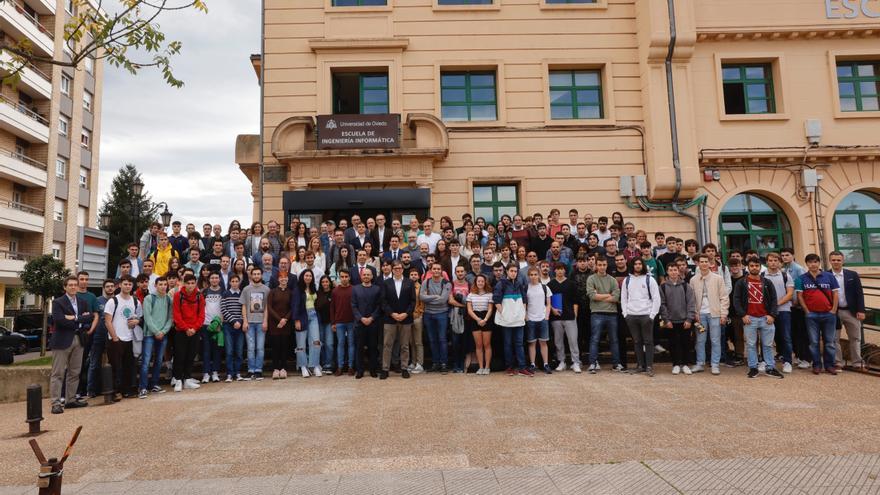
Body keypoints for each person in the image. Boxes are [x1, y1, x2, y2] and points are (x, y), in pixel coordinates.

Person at [733, 257, 783, 379]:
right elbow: (736, 300)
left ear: (760, 267)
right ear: (748, 267)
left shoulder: (767, 282)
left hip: (766, 318)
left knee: (768, 344)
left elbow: (773, 300)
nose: (754, 268)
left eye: (756, 265)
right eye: (752, 266)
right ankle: (753, 368)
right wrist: (743, 315)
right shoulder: (742, 282)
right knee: (751, 344)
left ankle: (770, 367)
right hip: (750, 318)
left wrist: (772, 314)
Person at [49, 276, 91, 414]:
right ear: (65, 287)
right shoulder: (58, 302)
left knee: (75, 372)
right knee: (58, 373)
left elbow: (88, 319)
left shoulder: (83, 302)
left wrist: (74, 318)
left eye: (75, 285)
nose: (73, 287)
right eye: (70, 285)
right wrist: (79, 319)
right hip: (62, 341)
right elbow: (59, 321)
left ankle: (70, 400)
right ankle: (55, 403)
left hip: (79, 340)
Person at [796, 253, 840, 375]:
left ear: (819, 263)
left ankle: (829, 365)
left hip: (828, 314)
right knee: (814, 342)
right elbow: (800, 296)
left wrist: (834, 310)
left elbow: (835, 293)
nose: (813, 264)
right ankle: (816, 365)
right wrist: (807, 311)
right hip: (812, 315)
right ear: (806, 264)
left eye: (815, 262)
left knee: (830, 342)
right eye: (810, 262)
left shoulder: (829, 276)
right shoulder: (801, 278)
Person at [689, 254, 729, 375]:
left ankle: (715, 364)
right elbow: (692, 299)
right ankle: (700, 363)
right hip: (700, 315)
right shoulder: (693, 280)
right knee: (700, 340)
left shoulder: (718, 279)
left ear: (710, 263)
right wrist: (695, 313)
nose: (704, 264)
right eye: (702, 261)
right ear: (698, 264)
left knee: (715, 340)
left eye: (706, 261)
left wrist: (723, 314)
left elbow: (724, 297)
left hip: (715, 314)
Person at [620, 258, 661, 377]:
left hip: (646, 315)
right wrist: (625, 314)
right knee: (637, 341)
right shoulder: (627, 280)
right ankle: (640, 365)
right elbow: (623, 298)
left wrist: (652, 315)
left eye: (639, 264)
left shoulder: (650, 279)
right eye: (635, 264)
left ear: (642, 265)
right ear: (632, 266)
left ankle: (649, 366)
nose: (637, 266)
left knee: (648, 341)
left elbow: (656, 298)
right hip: (631, 315)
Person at [104, 275, 142, 399]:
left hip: (130, 338)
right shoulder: (113, 301)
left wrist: (137, 321)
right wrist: (115, 338)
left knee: (128, 366)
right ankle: (114, 391)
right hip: (116, 339)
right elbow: (107, 321)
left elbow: (139, 318)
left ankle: (127, 390)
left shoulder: (136, 301)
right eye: (125, 284)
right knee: (115, 367)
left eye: (130, 284)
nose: (128, 286)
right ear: (120, 285)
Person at [828, 251, 866, 370]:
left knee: (855, 337)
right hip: (833, 312)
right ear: (830, 261)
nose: (836, 262)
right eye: (833, 260)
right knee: (834, 339)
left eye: (838, 260)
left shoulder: (852, 275)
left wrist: (861, 310)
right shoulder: (824, 275)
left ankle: (857, 363)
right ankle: (837, 362)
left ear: (843, 261)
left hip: (851, 311)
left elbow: (859, 293)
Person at [659, 263, 696, 375]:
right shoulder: (663, 287)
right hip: (671, 321)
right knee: (673, 344)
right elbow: (662, 304)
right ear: (667, 272)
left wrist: (689, 319)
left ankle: (684, 364)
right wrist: (666, 320)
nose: (673, 272)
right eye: (671, 270)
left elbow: (691, 303)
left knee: (686, 343)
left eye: (675, 270)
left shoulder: (686, 286)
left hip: (684, 321)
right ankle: (675, 364)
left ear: (678, 271)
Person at [380, 261, 415, 379]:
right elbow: (383, 301)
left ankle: (404, 368)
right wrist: (392, 314)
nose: (397, 270)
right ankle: (385, 369)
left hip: (406, 318)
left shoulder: (409, 282)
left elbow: (413, 301)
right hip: (390, 319)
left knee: (404, 345)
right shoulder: (386, 283)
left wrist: (405, 314)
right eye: (395, 268)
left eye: (399, 268)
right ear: (392, 270)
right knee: (387, 345)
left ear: (402, 269)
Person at [139, 277, 173, 398]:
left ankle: (154, 384)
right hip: (149, 334)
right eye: (161, 284)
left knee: (159, 361)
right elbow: (147, 318)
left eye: (165, 284)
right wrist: (156, 331)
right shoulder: (149, 298)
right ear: (155, 285)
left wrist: (163, 331)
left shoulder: (169, 299)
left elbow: (170, 318)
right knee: (146, 361)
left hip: (162, 335)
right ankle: (143, 387)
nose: (163, 286)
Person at [171, 274, 205, 392]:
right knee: (180, 356)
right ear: (184, 284)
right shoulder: (178, 295)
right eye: (188, 283)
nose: (190, 286)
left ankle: (187, 378)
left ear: (195, 283)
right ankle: (178, 380)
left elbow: (201, 315)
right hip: (181, 331)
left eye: (192, 283)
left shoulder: (199, 296)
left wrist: (194, 328)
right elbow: (176, 314)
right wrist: (186, 328)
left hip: (194, 330)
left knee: (191, 355)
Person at [586, 257, 621, 373]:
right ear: (596, 265)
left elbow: (616, 297)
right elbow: (592, 296)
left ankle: (616, 364)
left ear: (607, 265)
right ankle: (593, 363)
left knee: (614, 340)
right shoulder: (591, 279)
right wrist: (608, 295)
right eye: (599, 265)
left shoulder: (612, 280)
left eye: (604, 265)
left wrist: (600, 295)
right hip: (596, 313)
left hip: (612, 313)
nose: (602, 267)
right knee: (595, 339)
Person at [493, 264, 529, 376]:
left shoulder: (519, 284)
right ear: (507, 271)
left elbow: (524, 300)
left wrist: (524, 313)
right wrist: (504, 314)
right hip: (506, 320)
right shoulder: (501, 284)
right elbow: (496, 301)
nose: (513, 273)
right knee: (507, 344)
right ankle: (509, 367)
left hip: (518, 319)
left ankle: (522, 367)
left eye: (515, 271)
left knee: (519, 343)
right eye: (511, 271)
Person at [764, 252, 795, 373]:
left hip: (783, 310)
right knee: (767, 338)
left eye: (775, 260)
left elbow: (790, 293)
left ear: (779, 262)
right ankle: (766, 361)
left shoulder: (785, 275)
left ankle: (787, 361)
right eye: (770, 260)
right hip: (766, 312)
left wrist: (776, 304)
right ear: (766, 262)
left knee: (786, 337)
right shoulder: (762, 275)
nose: (773, 263)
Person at [549, 262, 581, 373]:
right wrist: (552, 310)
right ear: (554, 271)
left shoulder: (571, 284)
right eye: (557, 269)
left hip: (569, 316)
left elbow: (576, 300)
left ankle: (576, 362)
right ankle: (561, 361)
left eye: (562, 269)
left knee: (573, 340)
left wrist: (575, 314)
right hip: (556, 317)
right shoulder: (550, 284)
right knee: (558, 341)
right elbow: (547, 301)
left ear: (565, 270)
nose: (560, 271)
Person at [351, 267, 383, 379]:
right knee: (359, 348)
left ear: (372, 276)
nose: (366, 276)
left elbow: (379, 306)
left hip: (373, 323)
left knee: (373, 348)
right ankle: (359, 370)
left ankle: (373, 369)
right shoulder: (355, 289)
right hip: (360, 324)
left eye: (368, 275)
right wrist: (361, 318)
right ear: (361, 276)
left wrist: (372, 317)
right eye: (364, 275)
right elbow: (353, 306)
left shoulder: (377, 289)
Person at [86, 279, 115, 398]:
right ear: (104, 288)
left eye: (112, 286)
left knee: (114, 363)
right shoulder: (97, 301)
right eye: (107, 286)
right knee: (94, 364)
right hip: (98, 336)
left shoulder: (116, 300)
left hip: (113, 336)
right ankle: (91, 390)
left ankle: (112, 388)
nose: (110, 288)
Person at [240, 267, 271, 380]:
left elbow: (267, 307)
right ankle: (250, 370)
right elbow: (243, 306)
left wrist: (265, 321)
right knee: (250, 348)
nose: (257, 276)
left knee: (260, 348)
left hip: (261, 322)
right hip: (250, 322)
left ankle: (258, 370)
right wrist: (245, 321)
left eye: (258, 274)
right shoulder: (246, 289)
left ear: (261, 275)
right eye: (255, 274)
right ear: (251, 276)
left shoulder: (266, 289)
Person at [420, 262, 451, 373]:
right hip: (428, 314)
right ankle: (435, 363)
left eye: (438, 269)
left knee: (442, 339)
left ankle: (444, 363)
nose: (436, 270)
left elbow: (443, 300)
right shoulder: (426, 282)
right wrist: (435, 296)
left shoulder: (446, 283)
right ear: (431, 270)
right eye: (434, 269)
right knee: (432, 340)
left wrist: (429, 298)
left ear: (441, 271)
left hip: (442, 314)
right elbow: (421, 297)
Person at [292, 269, 322, 378]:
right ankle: (303, 366)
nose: (308, 277)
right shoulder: (297, 289)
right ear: (302, 277)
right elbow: (294, 306)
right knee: (301, 344)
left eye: (310, 276)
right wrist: (296, 320)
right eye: (306, 275)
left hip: (313, 316)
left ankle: (314, 365)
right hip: (302, 317)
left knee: (316, 342)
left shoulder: (314, 288)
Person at [266, 275, 293, 379]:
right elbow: (269, 307)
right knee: (276, 347)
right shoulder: (272, 292)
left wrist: (285, 319)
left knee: (284, 347)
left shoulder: (290, 292)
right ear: (278, 279)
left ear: (287, 279)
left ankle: (283, 369)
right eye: (281, 278)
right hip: (275, 324)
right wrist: (279, 319)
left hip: (286, 324)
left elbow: (292, 308)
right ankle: (276, 369)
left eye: (285, 278)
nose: (283, 279)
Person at [466, 274, 494, 375]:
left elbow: (490, 308)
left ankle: (487, 367)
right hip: (475, 318)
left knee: (486, 344)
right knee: (478, 345)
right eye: (479, 281)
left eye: (482, 281)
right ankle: (481, 367)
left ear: (485, 282)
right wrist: (478, 319)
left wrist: (485, 319)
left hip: (487, 318)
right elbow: (469, 310)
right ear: (476, 282)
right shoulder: (470, 295)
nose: (480, 283)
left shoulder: (490, 294)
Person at [330, 269, 356, 376]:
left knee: (351, 344)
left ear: (349, 277)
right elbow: (332, 308)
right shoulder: (335, 291)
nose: (344, 278)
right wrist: (333, 323)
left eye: (346, 276)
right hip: (339, 322)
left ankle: (350, 367)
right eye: (342, 277)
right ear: (339, 278)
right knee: (340, 344)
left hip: (352, 321)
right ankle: (340, 367)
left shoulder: (354, 289)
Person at [221, 274, 246, 381]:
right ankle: (230, 373)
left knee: (239, 351)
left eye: (237, 281)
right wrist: (233, 321)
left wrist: (239, 321)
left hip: (239, 326)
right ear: (230, 283)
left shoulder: (242, 294)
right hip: (228, 325)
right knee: (229, 351)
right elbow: (223, 309)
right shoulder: (225, 294)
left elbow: (244, 309)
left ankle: (238, 372)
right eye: (233, 281)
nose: (235, 283)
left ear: (239, 282)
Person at [201, 272, 225, 383]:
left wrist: (220, 323)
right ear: (209, 280)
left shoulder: (223, 292)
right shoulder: (204, 292)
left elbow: (224, 309)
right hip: (206, 324)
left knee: (217, 350)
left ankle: (215, 372)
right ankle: (206, 373)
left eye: (216, 278)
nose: (214, 280)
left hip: (218, 324)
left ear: (219, 279)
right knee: (206, 350)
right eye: (212, 278)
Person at [408, 268, 426, 374]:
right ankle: (413, 362)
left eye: (415, 274)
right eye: (411, 274)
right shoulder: (406, 286)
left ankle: (420, 363)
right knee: (411, 342)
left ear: (418, 276)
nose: (413, 276)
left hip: (417, 317)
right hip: (408, 317)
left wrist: (418, 313)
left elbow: (422, 303)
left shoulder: (421, 287)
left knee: (418, 341)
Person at [315, 275, 335, 372]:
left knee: (329, 344)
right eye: (323, 282)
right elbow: (317, 307)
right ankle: (322, 363)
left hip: (330, 322)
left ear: (330, 283)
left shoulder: (333, 293)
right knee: (321, 343)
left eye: (326, 282)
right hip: (319, 322)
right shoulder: (317, 293)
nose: (325, 284)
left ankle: (329, 364)